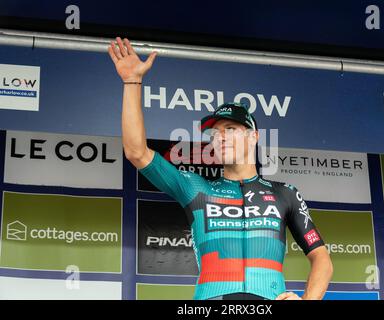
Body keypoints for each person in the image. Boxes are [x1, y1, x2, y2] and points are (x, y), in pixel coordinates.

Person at [108, 37, 333, 300]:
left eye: (230, 129)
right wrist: (132, 82)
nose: (220, 137)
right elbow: (136, 152)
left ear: (254, 136)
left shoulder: (285, 194)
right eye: (214, 133)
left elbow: (322, 260)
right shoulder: (195, 187)